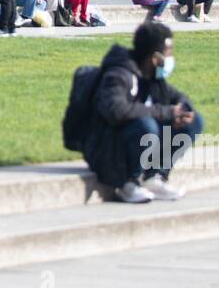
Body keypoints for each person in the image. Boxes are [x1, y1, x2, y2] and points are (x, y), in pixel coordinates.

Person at [80, 22, 204, 203]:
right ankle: (127, 183)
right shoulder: (119, 74)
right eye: (168, 53)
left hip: (132, 139)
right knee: (147, 125)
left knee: (193, 121)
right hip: (106, 147)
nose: (171, 58)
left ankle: (154, 177)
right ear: (154, 58)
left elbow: (177, 97)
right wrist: (166, 112)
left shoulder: (152, 76)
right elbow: (117, 111)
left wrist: (183, 110)